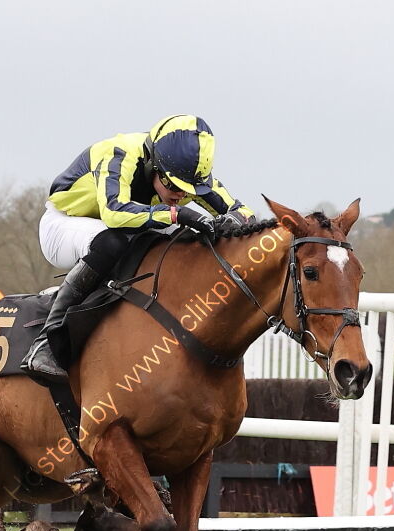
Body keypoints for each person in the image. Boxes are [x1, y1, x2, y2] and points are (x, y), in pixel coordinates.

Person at [21, 114, 255, 383]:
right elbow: (114, 213)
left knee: (191, 237)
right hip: (64, 224)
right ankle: (46, 343)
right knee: (114, 240)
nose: (180, 194)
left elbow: (244, 213)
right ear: (153, 163)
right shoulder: (119, 153)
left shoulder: (185, 173)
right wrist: (177, 214)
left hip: (125, 225)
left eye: (188, 189)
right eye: (173, 185)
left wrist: (230, 221)